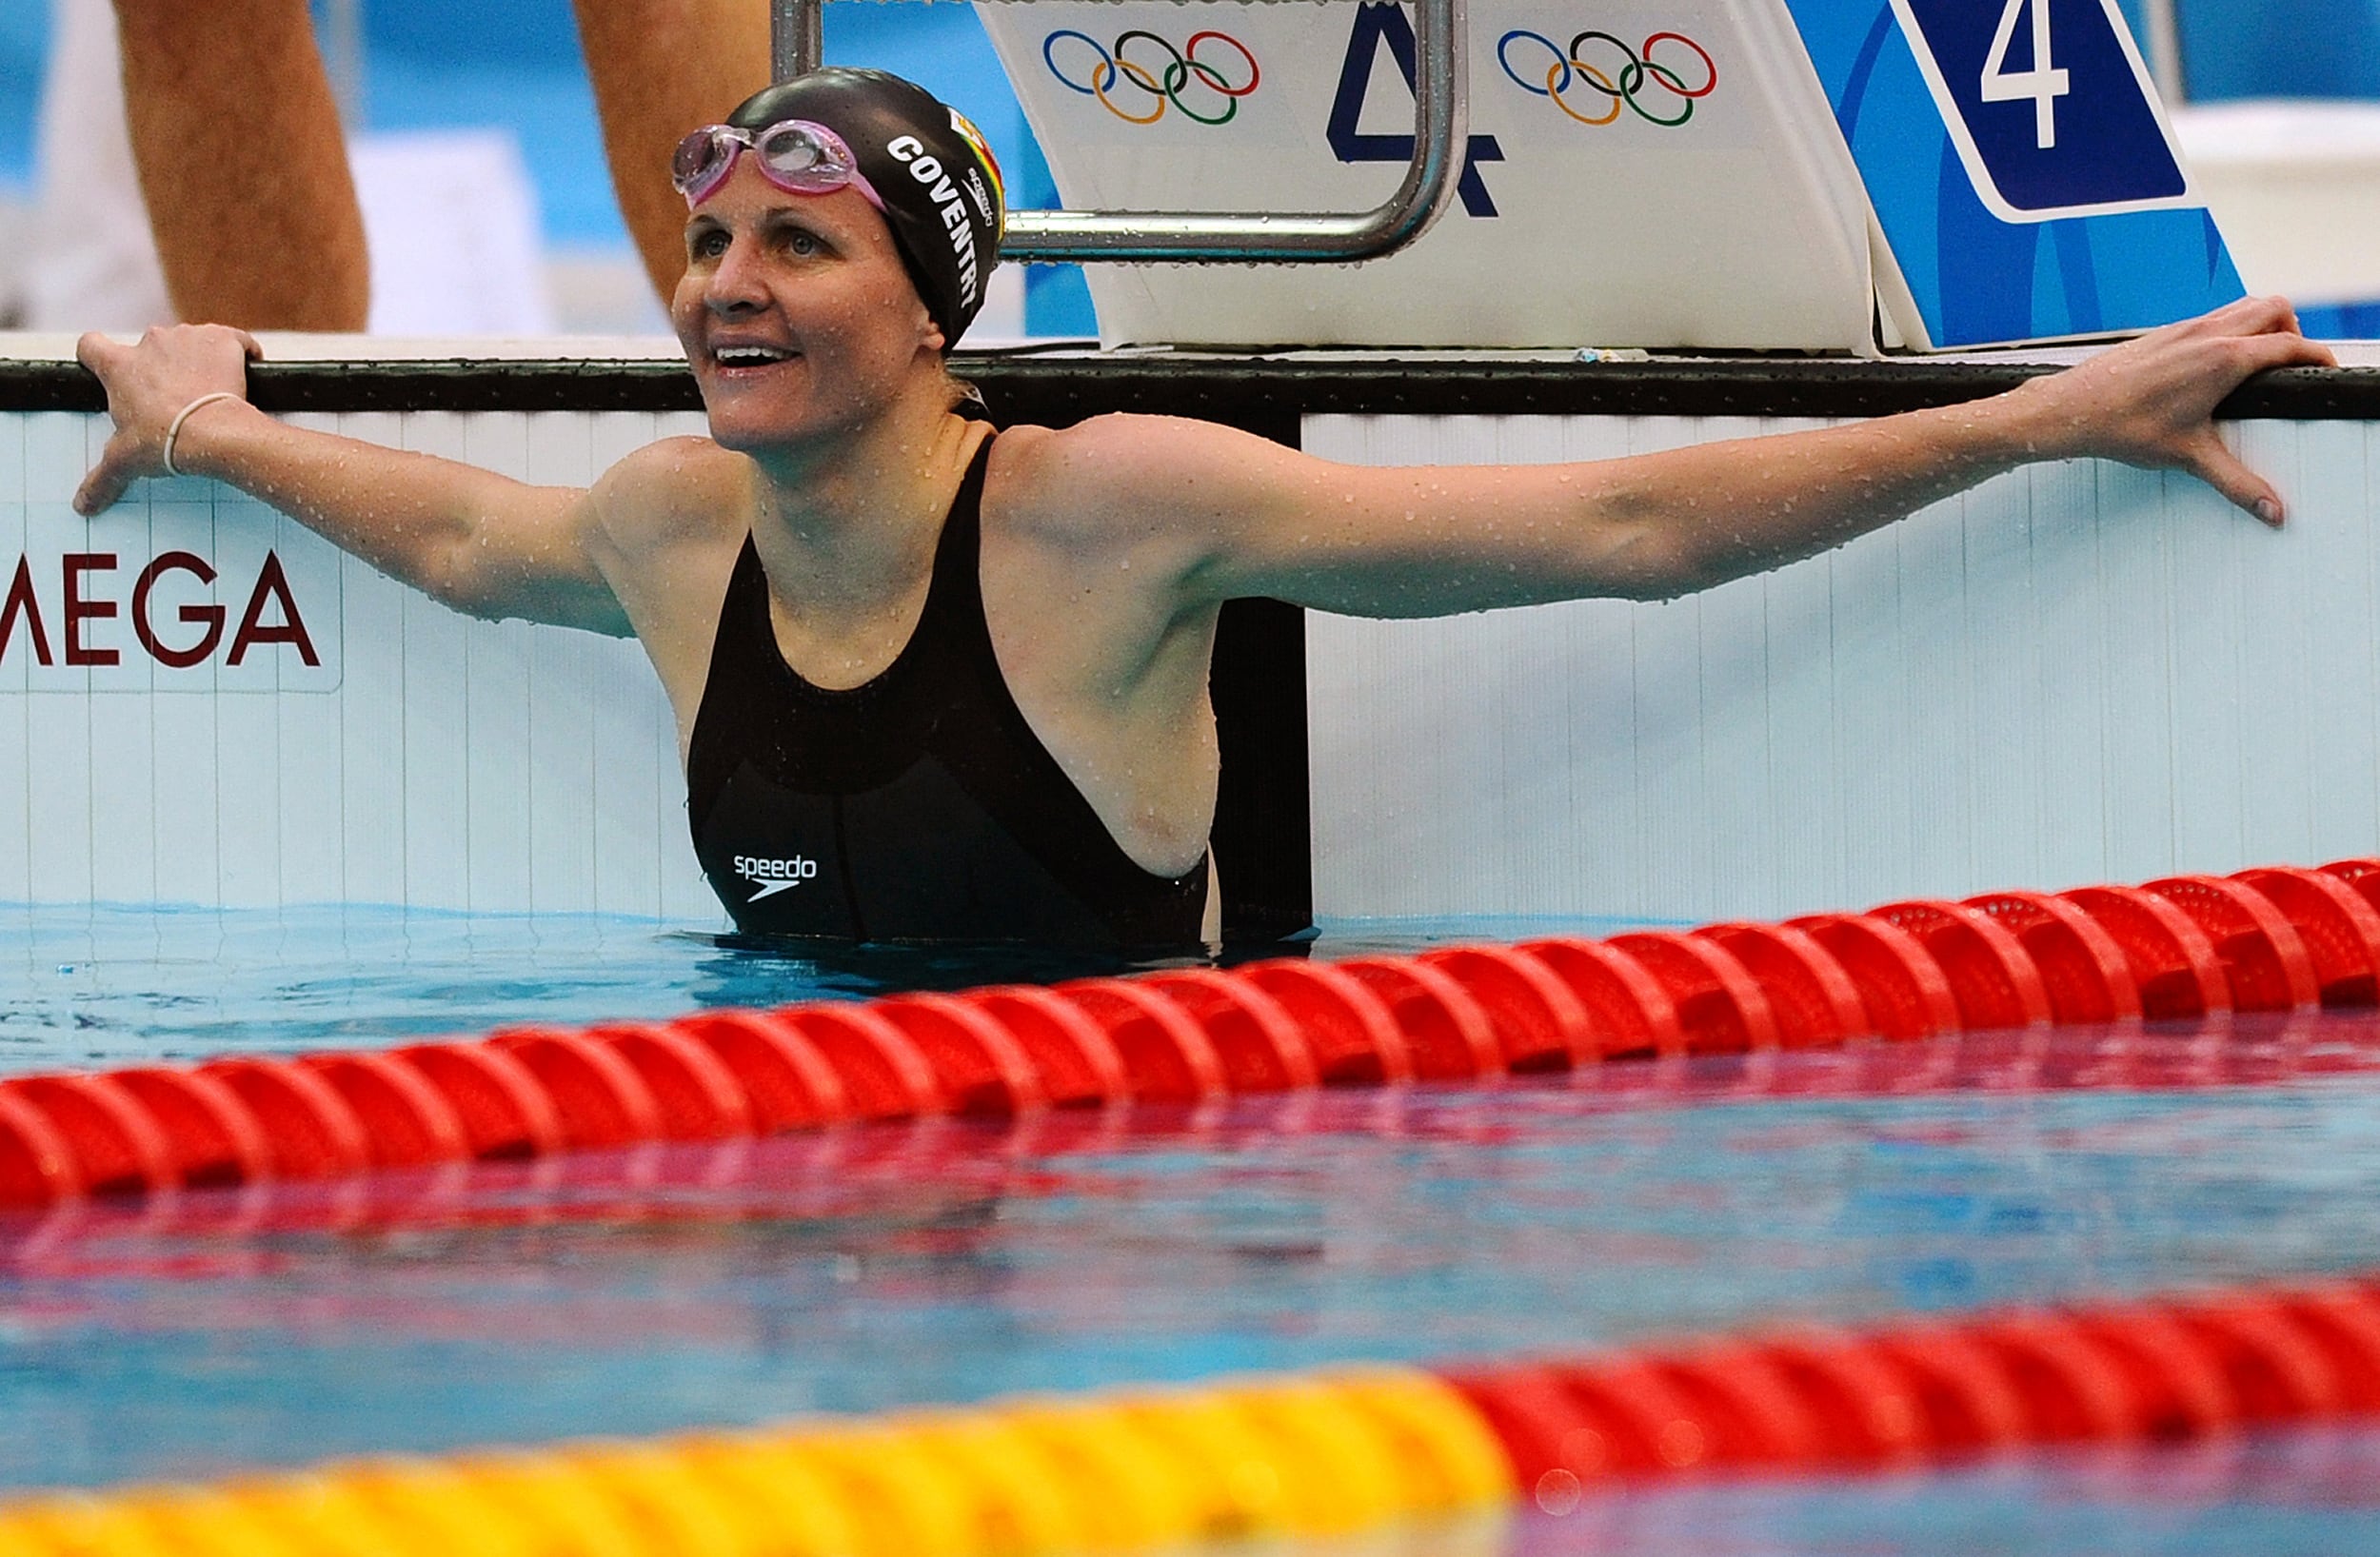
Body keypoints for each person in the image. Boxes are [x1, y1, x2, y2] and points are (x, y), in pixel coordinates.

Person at [71, 69, 2337, 946]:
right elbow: (467, 538)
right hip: (793, 1206)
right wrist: (194, 413)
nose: (725, 292)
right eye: (714, 250)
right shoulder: (675, 534)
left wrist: (2044, 414)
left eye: (798, 248)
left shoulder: (1102, 519)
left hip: (1137, 1206)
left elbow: (1624, 525)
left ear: (933, 315)